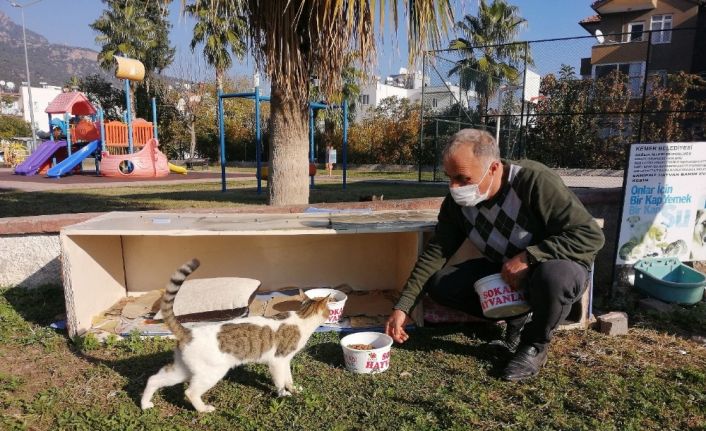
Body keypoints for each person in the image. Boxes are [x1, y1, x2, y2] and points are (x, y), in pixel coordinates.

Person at [384, 129, 604, 381]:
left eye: (463, 179)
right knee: (441, 284)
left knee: (553, 277)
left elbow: (590, 236)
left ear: (493, 168)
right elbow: (436, 253)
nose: (454, 187)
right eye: (450, 178)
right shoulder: (456, 204)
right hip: (506, 272)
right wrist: (404, 306)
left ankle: (534, 345)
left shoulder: (534, 181)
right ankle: (518, 316)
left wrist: (529, 257)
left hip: (558, 269)